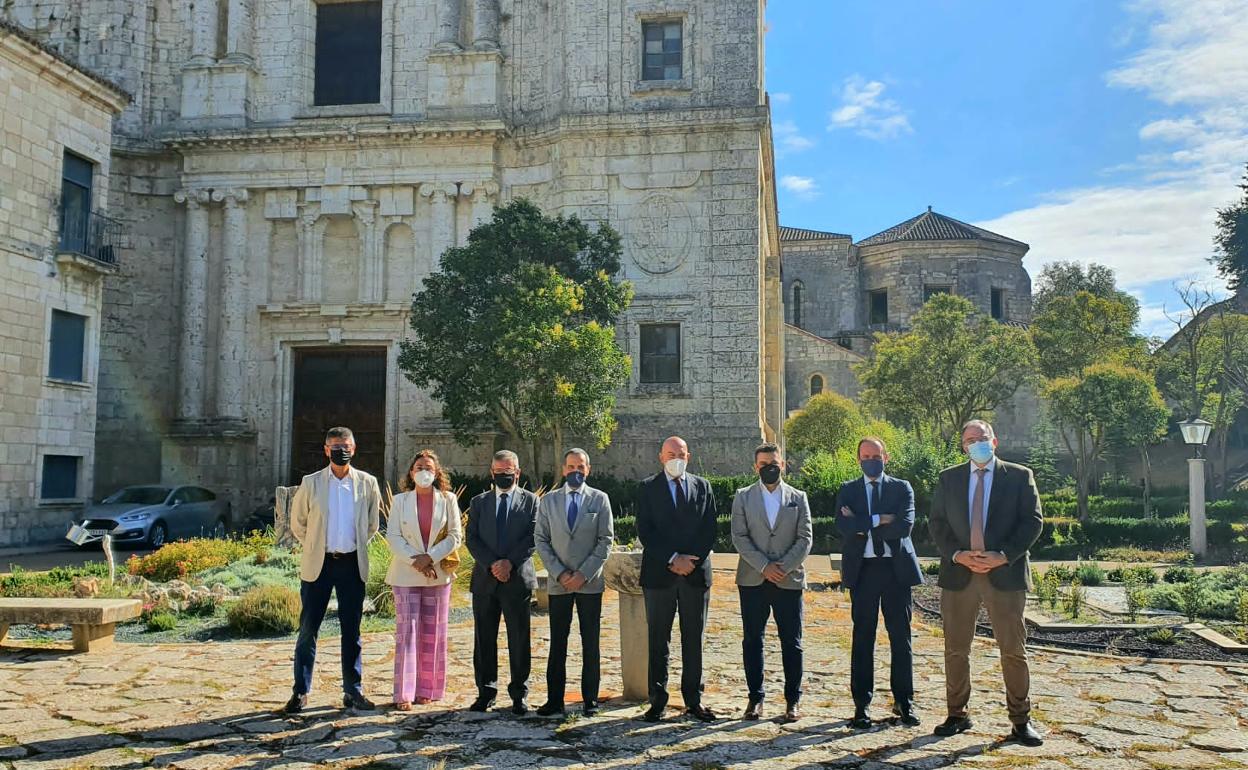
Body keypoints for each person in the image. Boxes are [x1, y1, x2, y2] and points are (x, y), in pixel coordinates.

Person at [928, 419, 1044, 746]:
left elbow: (1032, 521)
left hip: (1004, 575)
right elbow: (936, 523)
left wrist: (1003, 555)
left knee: (1013, 650)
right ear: (963, 446)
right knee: (955, 650)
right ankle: (957, 714)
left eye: (982, 438)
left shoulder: (1020, 477)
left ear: (994, 442)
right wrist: (957, 554)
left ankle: (1021, 721)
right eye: (970, 440)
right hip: (959, 575)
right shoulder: (948, 478)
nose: (976, 443)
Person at [285, 426, 381, 714]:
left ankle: (353, 691)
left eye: (347, 445)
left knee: (351, 632)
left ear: (354, 448)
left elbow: (372, 524)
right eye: (337, 446)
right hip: (320, 565)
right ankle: (300, 692)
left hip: (352, 564)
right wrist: (316, 545)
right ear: (326, 450)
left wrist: (351, 545)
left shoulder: (367, 483)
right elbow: (298, 522)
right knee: (308, 631)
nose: (342, 450)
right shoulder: (311, 483)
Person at [835, 437, 923, 729]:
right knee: (863, 639)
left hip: (896, 571)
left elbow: (905, 526)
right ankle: (862, 705)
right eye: (865, 456)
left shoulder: (902, 488)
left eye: (876, 455)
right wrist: (880, 519)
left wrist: (863, 522)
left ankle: (904, 702)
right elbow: (844, 527)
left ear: (886, 457)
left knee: (901, 639)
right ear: (858, 459)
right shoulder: (848, 489)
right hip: (864, 572)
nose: (870, 460)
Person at [636, 436, 719, 723]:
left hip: (695, 575)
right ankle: (657, 700)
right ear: (660, 457)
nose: (676, 458)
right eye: (671, 453)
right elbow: (645, 531)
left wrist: (689, 560)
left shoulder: (703, 486)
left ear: (689, 456)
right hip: (660, 575)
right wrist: (672, 558)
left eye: (681, 454)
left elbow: (709, 528)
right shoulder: (647, 488)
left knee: (693, 638)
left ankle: (693, 699)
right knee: (659, 639)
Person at [730, 442, 812, 723]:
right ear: (756, 467)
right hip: (753, 579)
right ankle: (755, 698)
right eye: (763, 464)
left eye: (773, 462)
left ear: (783, 464)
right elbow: (739, 537)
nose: (769, 468)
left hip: (788, 580)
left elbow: (805, 538)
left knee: (792, 642)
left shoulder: (798, 497)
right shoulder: (742, 497)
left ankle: (793, 700)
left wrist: (783, 567)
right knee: (753, 640)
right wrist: (764, 566)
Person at [534, 448, 614, 717]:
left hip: (589, 583)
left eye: (580, 467)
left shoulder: (600, 500)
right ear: (563, 469)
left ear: (588, 469)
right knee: (558, 642)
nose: (575, 471)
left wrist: (583, 573)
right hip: (559, 583)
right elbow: (541, 541)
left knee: (590, 642)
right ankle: (554, 699)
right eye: (571, 467)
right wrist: (560, 573)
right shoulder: (549, 502)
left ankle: (590, 698)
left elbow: (606, 540)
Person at [385, 449, 462, 710]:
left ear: (437, 472)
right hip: (406, 574)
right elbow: (393, 536)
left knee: (433, 633)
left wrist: (429, 557)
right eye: (419, 467)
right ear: (411, 472)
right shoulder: (400, 501)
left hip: (438, 573)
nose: (423, 472)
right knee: (407, 633)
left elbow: (455, 535)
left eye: (428, 467)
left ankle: (427, 689)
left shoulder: (448, 500)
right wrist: (415, 560)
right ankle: (403, 693)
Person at [464, 450, 539, 715]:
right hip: (486, 581)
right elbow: (471, 538)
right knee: (484, 639)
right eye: (499, 472)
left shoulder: (531, 501)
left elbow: (533, 536)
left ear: (517, 472)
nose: (504, 476)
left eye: (509, 472)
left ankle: (519, 693)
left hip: (517, 579)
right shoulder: (479, 502)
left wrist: (510, 563)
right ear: (491, 473)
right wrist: (493, 564)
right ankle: (486, 692)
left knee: (519, 638)